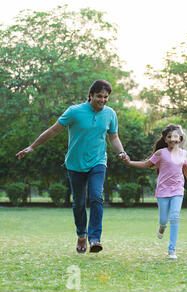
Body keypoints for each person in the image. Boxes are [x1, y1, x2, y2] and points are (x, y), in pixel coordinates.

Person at [16, 79, 128, 254]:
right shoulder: (75, 112)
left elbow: (113, 137)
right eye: (99, 96)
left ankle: (94, 239)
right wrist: (32, 146)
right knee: (79, 202)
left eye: (106, 97)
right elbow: (53, 130)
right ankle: (81, 234)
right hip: (75, 164)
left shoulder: (110, 114)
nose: (103, 100)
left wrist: (121, 152)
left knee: (97, 197)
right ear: (91, 95)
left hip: (98, 161)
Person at [122, 124, 187, 260]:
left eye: (175, 137)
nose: (172, 139)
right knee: (164, 219)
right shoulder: (160, 153)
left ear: (180, 139)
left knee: (174, 217)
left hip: (178, 190)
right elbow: (146, 164)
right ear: (165, 139)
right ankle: (162, 226)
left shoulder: (184, 154)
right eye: (169, 137)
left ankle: (171, 250)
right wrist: (129, 163)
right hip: (163, 191)